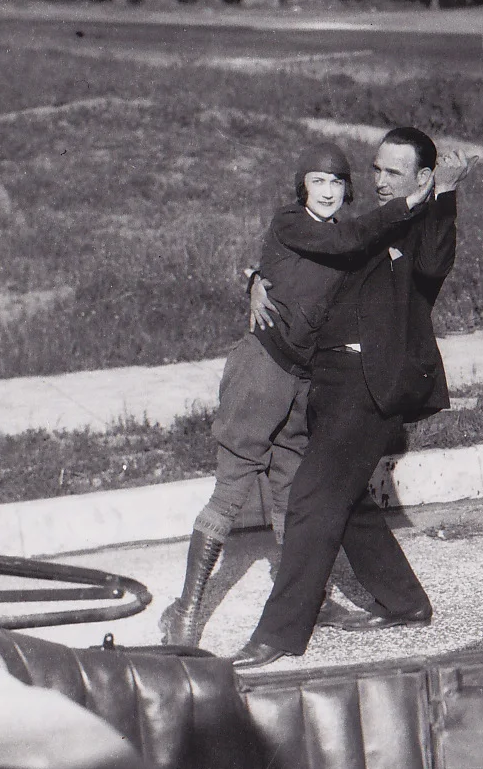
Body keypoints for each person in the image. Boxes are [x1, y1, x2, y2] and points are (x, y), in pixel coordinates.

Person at [159, 142, 435, 647]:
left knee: (293, 491)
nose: (326, 192)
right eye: (317, 182)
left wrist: (254, 278)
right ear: (301, 188)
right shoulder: (292, 221)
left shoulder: (349, 238)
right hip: (262, 367)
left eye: (335, 184)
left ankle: (313, 600)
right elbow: (342, 240)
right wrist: (408, 202)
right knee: (233, 486)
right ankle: (185, 613)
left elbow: (356, 247)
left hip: (304, 380)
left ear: (346, 190)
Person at [230, 129, 473, 668]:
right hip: (327, 376)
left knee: (312, 499)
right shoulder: (358, 223)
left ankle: (279, 634)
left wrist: (444, 198)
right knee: (346, 500)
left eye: (394, 172)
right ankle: (406, 603)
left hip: (371, 380)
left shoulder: (422, 223)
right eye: (377, 170)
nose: (380, 181)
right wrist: (255, 279)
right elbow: (311, 254)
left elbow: (434, 265)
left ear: (422, 178)